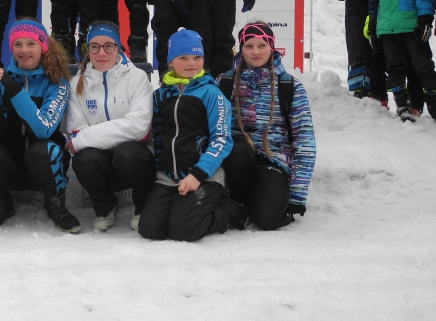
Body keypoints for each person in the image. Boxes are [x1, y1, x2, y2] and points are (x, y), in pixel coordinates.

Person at [0, 19, 79, 232]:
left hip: (44, 165)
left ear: (43, 47)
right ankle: (1, 203)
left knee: (44, 149)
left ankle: (55, 204)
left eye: (31, 44)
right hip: (12, 167)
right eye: (17, 44)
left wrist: (12, 89)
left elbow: (43, 130)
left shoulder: (57, 83)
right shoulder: (1, 80)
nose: (24, 50)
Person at [139, 28, 246, 242]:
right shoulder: (160, 96)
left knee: (184, 230)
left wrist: (198, 175)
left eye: (197, 57)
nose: (191, 63)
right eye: (183, 58)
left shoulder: (211, 93)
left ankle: (230, 210)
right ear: (171, 62)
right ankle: (181, 208)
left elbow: (222, 139)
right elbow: (157, 135)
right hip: (167, 178)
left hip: (203, 176)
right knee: (150, 229)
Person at [217, 22, 316, 230]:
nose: (255, 52)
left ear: (271, 47)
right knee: (237, 150)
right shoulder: (224, 82)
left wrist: (297, 194)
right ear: (240, 49)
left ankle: (264, 200)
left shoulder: (289, 86)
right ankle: (237, 204)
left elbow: (304, 140)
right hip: (236, 160)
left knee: (267, 219)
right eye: (249, 46)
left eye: (262, 45)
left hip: (274, 158)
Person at [65, 21, 154, 231]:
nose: (102, 53)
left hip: (132, 161)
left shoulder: (137, 77)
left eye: (109, 46)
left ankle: (143, 207)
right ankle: (105, 206)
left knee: (128, 153)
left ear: (118, 48)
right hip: (101, 165)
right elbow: (76, 131)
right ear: (88, 49)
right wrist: (83, 138)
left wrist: (85, 138)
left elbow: (139, 129)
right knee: (84, 160)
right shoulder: (76, 83)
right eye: (95, 46)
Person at [369, 0, 436, 121]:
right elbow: (375, 0)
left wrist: (425, 19)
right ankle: (403, 105)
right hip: (388, 28)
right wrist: (374, 26)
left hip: (412, 25)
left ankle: (432, 104)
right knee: (394, 68)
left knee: (423, 67)